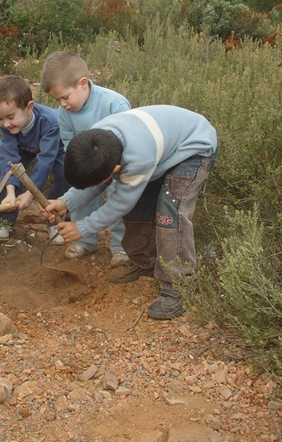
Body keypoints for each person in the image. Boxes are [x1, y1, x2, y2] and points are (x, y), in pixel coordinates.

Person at [43, 105, 218, 320]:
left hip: (192, 148)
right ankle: (145, 262)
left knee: (170, 211)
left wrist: (83, 227)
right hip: (160, 151)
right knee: (139, 207)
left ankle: (179, 286)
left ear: (116, 170)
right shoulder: (95, 143)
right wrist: (66, 202)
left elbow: (120, 203)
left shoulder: (137, 158)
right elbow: (95, 183)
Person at [41, 52, 131, 268]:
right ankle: (85, 241)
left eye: (65, 97)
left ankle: (121, 247)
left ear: (83, 83)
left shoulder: (114, 104)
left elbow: (128, 142)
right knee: (81, 192)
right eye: (57, 100)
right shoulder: (64, 114)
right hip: (88, 165)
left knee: (120, 199)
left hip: (118, 165)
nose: (62, 104)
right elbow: (70, 146)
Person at [0, 75, 69, 242]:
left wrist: (30, 194)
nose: (5, 124)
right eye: (0, 119)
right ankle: (3, 219)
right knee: (7, 177)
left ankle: (57, 221)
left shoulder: (50, 122)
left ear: (29, 107)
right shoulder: (8, 127)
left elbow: (45, 161)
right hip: (25, 146)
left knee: (64, 175)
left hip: (56, 148)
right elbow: (9, 159)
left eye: (10, 117)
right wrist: (11, 192)